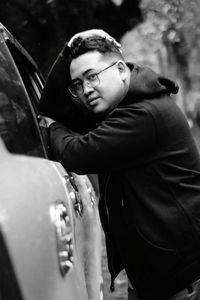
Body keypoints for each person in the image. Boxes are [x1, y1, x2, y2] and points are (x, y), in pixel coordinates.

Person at [41, 30, 200, 300]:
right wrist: (69, 48)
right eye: (78, 84)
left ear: (121, 70)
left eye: (92, 76)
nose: (86, 89)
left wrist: (51, 126)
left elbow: (77, 154)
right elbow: (52, 105)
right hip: (156, 274)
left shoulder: (143, 115)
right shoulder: (121, 109)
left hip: (181, 279)